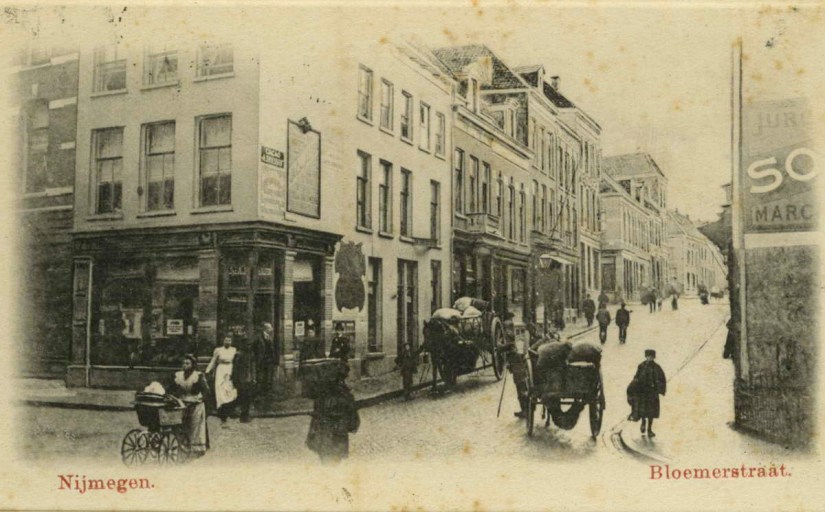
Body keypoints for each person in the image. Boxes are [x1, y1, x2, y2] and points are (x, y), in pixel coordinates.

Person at [306, 361, 360, 463]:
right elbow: (353, 417)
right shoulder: (345, 395)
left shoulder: (321, 394)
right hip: (338, 435)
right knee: (335, 462)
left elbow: (316, 415)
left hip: (323, 436)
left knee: (325, 460)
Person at [167, 354, 210, 457]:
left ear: (192, 365)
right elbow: (171, 388)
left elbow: (206, 391)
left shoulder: (198, 376)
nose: (185, 365)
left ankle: (196, 448)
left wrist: (201, 398)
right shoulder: (178, 375)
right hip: (183, 401)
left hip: (196, 402)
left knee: (195, 425)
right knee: (180, 423)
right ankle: (184, 444)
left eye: (187, 363)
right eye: (183, 363)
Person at [629, 349, 667, 437]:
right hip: (643, 392)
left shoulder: (657, 367)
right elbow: (636, 376)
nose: (649, 358)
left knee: (651, 412)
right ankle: (643, 422)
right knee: (643, 410)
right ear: (646, 357)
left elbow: (662, 379)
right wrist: (635, 383)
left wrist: (660, 389)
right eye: (648, 356)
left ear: (654, 357)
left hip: (653, 393)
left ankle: (649, 429)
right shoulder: (641, 366)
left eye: (651, 357)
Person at [205, 335, 239, 426]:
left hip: (230, 369)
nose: (227, 342)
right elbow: (213, 361)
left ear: (231, 341)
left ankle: (229, 409)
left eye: (229, 340)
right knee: (220, 389)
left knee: (229, 388)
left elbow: (236, 362)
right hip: (221, 370)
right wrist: (208, 370)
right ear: (223, 341)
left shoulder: (234, 350)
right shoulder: (218, 350)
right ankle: (220, 408)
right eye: (226, 340)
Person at [232, 338, 257, 423]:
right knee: (242, 397)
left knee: (248, 397)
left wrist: (254, 378)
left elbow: (253, 367)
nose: (249, 346)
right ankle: (242, 415)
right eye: (247, 345)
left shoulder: (251, 354)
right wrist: (235, 380)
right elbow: (235, 369)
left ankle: (245, 414)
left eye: (250, 345)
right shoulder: (238, 355)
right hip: (241, 379)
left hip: (248, 379)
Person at [254, 322, 278, 394]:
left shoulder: (269, 337)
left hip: (269, 360)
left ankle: (267, 392)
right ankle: (260, 392)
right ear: (266, 329)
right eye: (270, 328)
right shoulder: (258, 337)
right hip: (262, 360)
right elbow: (255, 348)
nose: (272, 329)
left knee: (269, 376)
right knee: (261, 376)